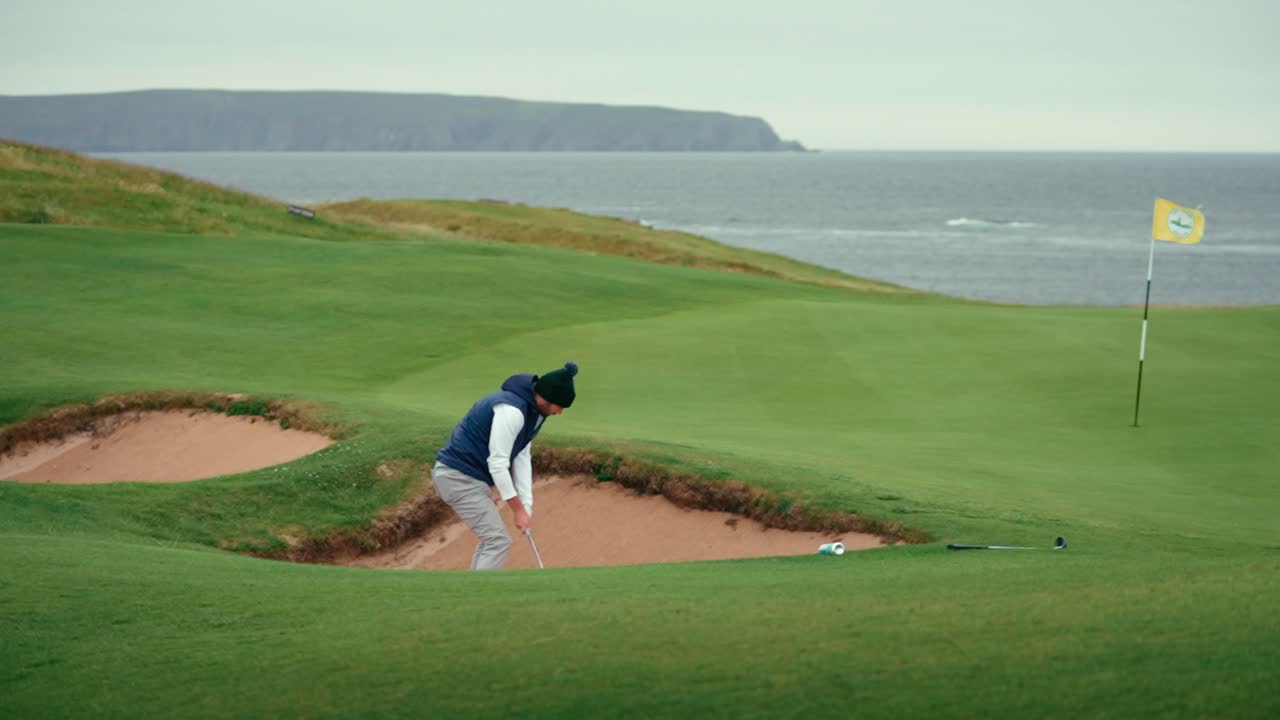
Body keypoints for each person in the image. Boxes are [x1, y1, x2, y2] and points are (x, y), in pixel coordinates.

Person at [432, 361, 578, 570]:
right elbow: (498, 464)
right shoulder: (512, 411)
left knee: (492, 541)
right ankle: (478, 596)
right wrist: (516, 509)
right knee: (497, 541)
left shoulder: (536, 413)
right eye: (560, 406)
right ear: (547, 397)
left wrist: (526, 506)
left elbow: (522, 456)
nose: (560, 412)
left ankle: (470, 591)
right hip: (456, 475)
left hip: (471, 479)